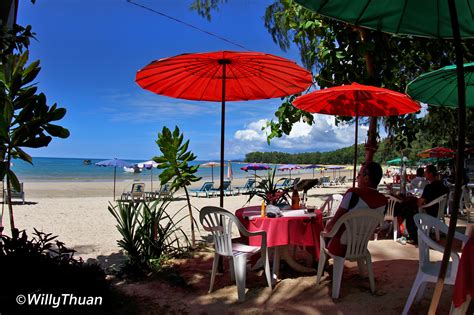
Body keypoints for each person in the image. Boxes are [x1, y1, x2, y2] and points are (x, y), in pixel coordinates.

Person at [325, 161, 388, 256]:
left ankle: (319, 263)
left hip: (340, 246)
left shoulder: (353, 194)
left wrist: (325, 231)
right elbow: (375, 228)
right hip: (360, 247)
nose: (357, 178)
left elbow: (333, 224)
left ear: (366, 178)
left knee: (320, 232)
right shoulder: (384, 201)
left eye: (359, 175)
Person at [400, 165, 449, 244]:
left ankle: (413, 236)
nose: (424, 174)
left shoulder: (429, 187)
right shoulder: (443, 186)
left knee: (409, 210)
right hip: (439, 211)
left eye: (426, 172)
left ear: (430, 174)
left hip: (430, 211)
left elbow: (419, 203)